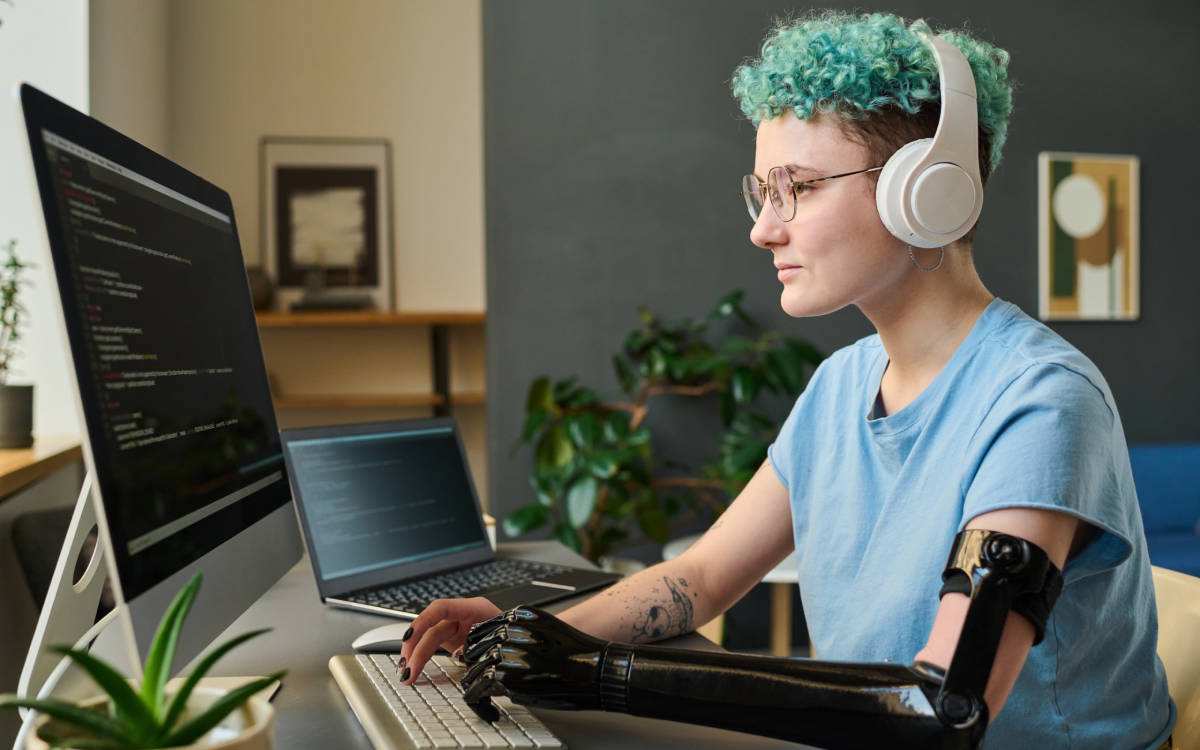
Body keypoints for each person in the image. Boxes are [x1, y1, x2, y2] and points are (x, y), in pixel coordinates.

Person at [398, 11, 1175, 748]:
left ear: (925, 191)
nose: (763, 228)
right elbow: (700, 578)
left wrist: (599, 674)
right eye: (762, 193)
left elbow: (947, 707)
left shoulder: (1041, 402)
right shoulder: (840, 386)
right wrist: (531, 627)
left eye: (796, 188)